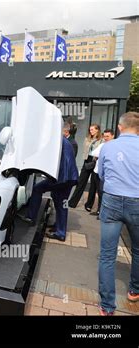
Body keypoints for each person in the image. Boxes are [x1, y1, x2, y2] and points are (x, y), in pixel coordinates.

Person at [97, 112, 139, 316]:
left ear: (120, 128)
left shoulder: (108, 146)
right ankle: (134, 291)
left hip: (112, 199)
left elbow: (101, 174)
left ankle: (107, 307)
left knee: (107, 255)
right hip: (137, 202)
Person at [22, 130, 78, 242]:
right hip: (69, 177)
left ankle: (31, 218)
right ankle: (59, 227)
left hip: (63, 178)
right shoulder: (64, 141)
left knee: (38, 189)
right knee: (60, 201)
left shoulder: (56, 141)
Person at [68, 124, 102, 209]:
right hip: (87, 160)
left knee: (93, 186)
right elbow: (85, 149)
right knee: (81, 182)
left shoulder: (101, 140)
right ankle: (72, 202)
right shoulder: (87, 138)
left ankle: (89, 205)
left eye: (93, 129)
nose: (91, 131)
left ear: (97, 130)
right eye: (90, 130)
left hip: (95, 161)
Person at [85, 129, 114, 216]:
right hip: (96, 171)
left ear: (112, 136)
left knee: (101, 193)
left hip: (105, 174)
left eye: (107, 136)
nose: (105, 138)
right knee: (93, 190)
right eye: (104, 136)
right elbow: (93, 153)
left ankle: (101, 212)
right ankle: (95, 208)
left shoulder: (114, 146)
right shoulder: (102, 145)